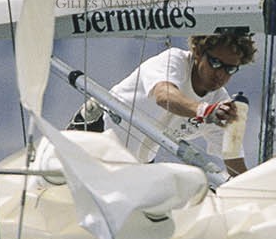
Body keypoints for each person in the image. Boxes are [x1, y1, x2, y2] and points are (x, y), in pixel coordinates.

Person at [69, 30, 256, 175]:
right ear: (198, 52)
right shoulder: (174, 60)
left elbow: (234, 164)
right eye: (215, 63)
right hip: (97, 133)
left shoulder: (219, 103)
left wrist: (261, 198)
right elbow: (164, 96)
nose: (221, 74)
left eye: (230, 69)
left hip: (136, 166)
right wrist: (205, 111)